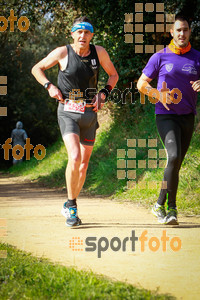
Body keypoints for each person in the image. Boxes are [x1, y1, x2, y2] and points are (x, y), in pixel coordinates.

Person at [31, 16, 118, 227]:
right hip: (68, 112)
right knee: (75, 156)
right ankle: (71, 207)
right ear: (72, 34)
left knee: (83, 166)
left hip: (90, 113)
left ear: (91, 35)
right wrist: (49, 86)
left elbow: (113, 75)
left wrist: (103, 94)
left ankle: (70, 202)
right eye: (79, 32)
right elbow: (37, 68)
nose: (83, 36)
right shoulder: (63, 52)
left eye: (87, 32)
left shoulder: (100, 52)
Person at [137, 14, 200, 225]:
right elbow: (141, 84)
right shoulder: (160, 57)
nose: (182, 33)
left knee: (176, 164)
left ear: (190, 32)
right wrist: (156, 94)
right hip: (165, 115)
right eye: (178, 30)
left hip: (187, 116)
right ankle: (172, 209)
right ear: (171, 32)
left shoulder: (197, 57)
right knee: (173, 157)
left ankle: (158, 204)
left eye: (186, 30)